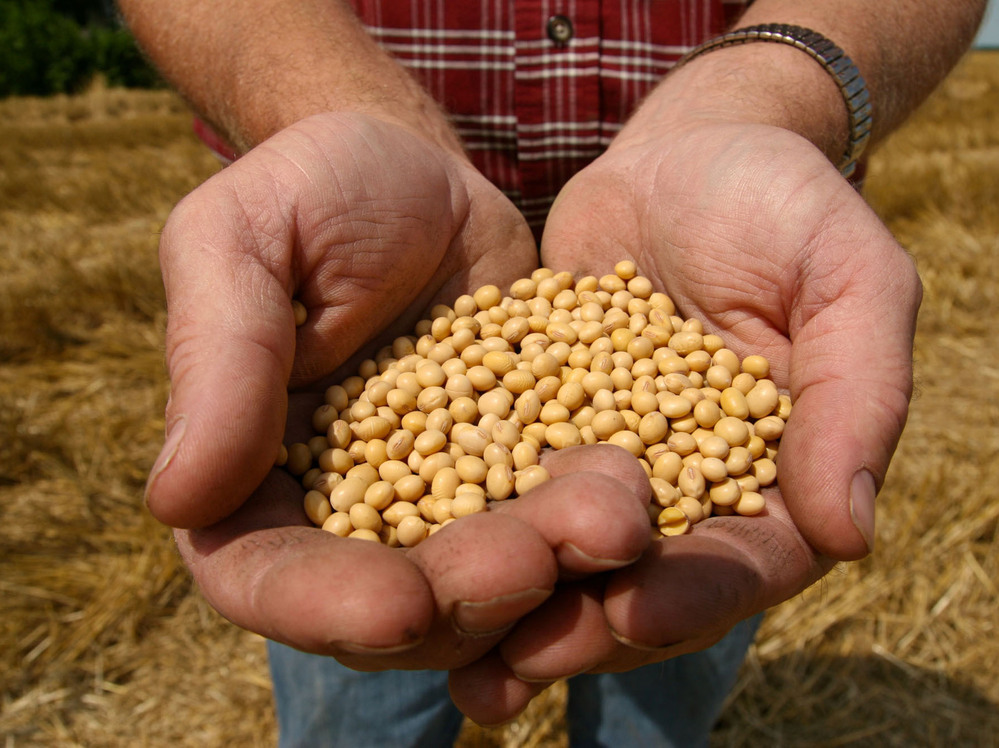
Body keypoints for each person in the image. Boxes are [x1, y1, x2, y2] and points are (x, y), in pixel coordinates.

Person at [117, 1, 985, 745]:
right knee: (367, 667)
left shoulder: (704, 399)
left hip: (719, 283)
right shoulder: (389, 421)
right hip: (371, 294)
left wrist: (759, 103)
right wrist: (334, 107)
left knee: (660, 683)